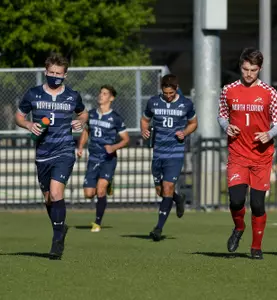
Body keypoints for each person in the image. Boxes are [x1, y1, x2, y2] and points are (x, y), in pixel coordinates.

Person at [15, 53, 88, 260]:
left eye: (59, 73)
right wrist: (29, 124)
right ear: (46, 72)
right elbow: (19, 116)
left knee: (56, 193)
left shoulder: (73, 96)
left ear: (65, 75)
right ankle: (60, 227)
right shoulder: (33, 94)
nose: (55, 76)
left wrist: (81, 121)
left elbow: (83, 113)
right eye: (52, 72)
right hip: (42, 153)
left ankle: (57, 241)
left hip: (64, 149)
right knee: (48, 199)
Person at [217, 47, 277, 260]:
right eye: (245, 69)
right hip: (238, 153)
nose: (248, 74)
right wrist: (226, 127)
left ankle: (256, 247)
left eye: (253, 70)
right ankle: (239, 227)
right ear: (240, 66)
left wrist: (269, 133)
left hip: (261, 156)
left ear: (260, 69)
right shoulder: (228, 90)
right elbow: (221, 115)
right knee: (236, 201)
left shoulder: (269, 92)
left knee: (257, 204)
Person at [140, 74, 197, 241]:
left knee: (168, 187)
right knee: (161, 192)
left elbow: (194, 123)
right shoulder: (153, 102)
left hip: (175, 152)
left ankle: (158, 228)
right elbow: (145, 120)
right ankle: (178, 199)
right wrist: (144, 130)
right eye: (165, 93)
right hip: (158, 152)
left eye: (171, 93)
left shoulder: (186, 104)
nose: (168, 96)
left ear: (176, 88)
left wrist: (185, 132)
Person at [77, 85, 130, 232]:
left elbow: (126, 139)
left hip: (108, 159)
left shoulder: (116, 118)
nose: (101, 96)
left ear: (111, 98)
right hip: (93, 157)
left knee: (100, 190)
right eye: (100, 93)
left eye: (105, 94)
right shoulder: (91, 114)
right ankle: (108, 184)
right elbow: (86, 131)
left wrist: (113, 147)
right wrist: (80, 147)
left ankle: (97, 222)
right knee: (89, 194)